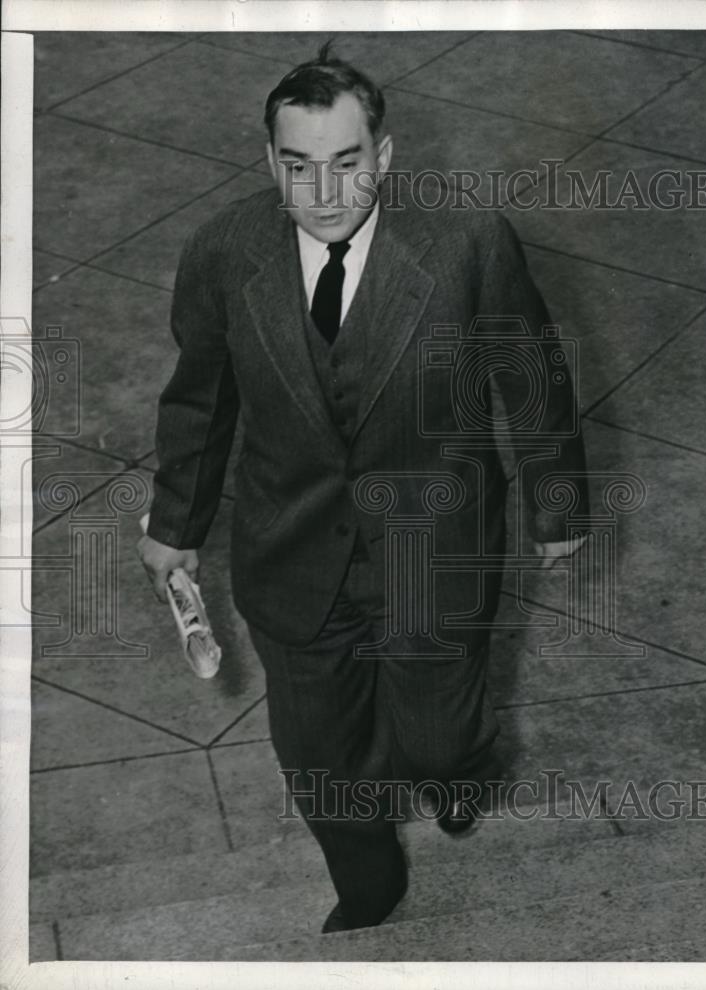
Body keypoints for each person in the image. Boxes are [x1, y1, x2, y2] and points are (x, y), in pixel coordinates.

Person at [137, 44, 588, 934]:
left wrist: (557, 503)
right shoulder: (224, 253)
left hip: (433, 546)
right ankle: (369, 877)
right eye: (297, 167)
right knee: (315, 752)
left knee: (435, 735)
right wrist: (174, 521)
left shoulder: (466, 244)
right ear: (268, 161)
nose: (324, 193)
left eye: (347, 164)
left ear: (384, 154)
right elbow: (201, 399)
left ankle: (457, 771)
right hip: (293, 548)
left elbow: (529, 377)